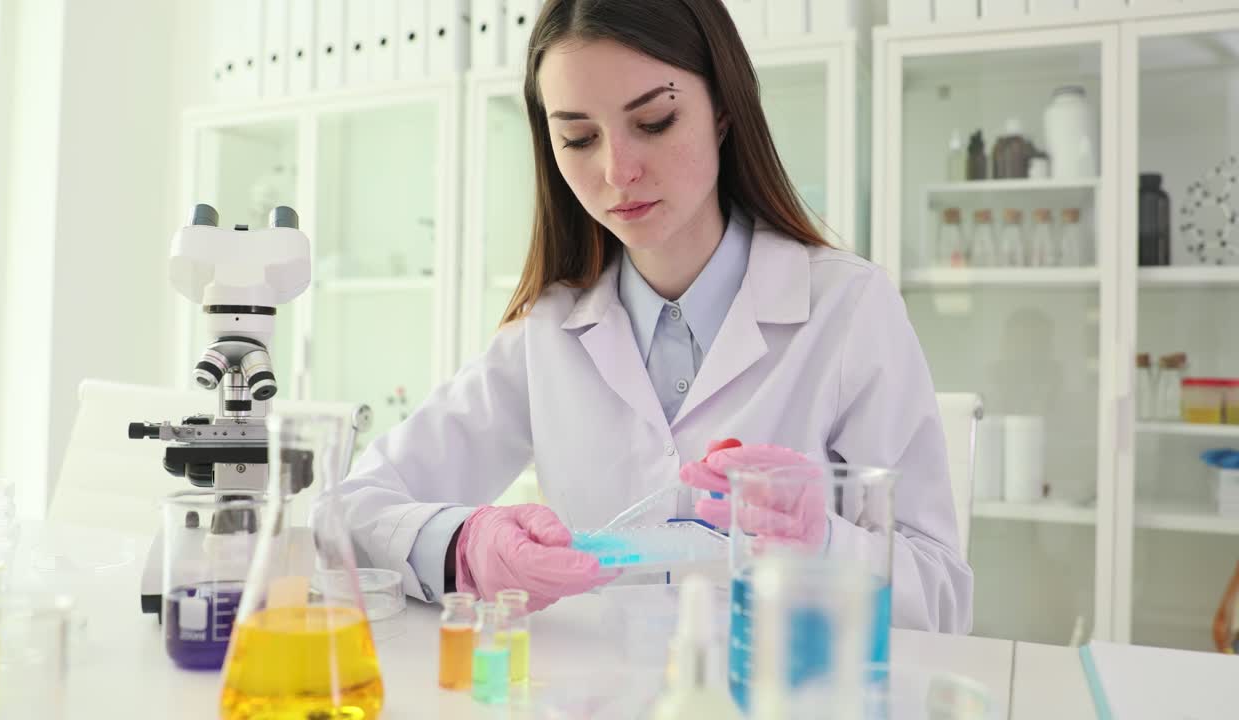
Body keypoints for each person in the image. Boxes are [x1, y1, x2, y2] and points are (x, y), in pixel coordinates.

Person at [328, 0, 973, 633]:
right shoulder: (548, 333)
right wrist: (464, 546)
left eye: (656, 121)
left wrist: (818, 542)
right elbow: (349, 512)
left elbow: (941, 596)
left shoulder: (846, 308)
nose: (617, 171)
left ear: (722, 109)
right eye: (578, 138)